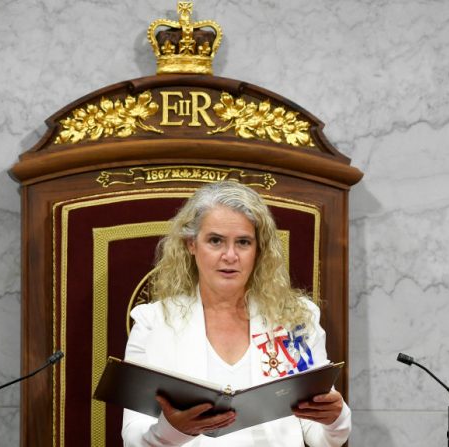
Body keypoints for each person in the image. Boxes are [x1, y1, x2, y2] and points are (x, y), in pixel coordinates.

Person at [122, 181, 351, 446]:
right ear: (191, 244)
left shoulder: (294, 319)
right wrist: (174, 429)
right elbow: (132, 438)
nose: (230, 255)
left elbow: (322, 437)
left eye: (243, 242)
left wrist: (336, 418)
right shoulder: (153, 323)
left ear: (258, 249)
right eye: (215, 240)